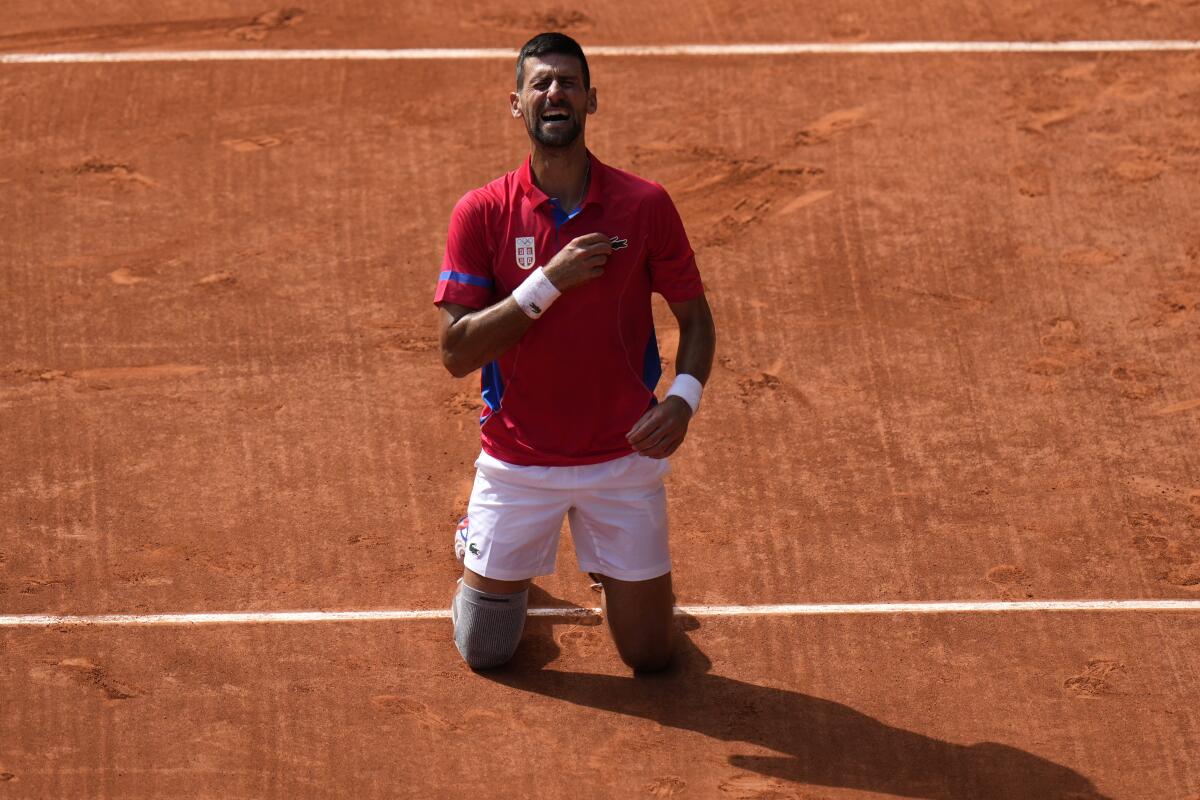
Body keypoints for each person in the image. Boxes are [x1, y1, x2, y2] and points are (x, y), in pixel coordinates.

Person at [434, 32, 716, 673]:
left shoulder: (644, 206)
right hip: (517, 462)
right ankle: (476, 544)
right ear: (517, 104)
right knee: (486, 650)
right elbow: (456, 352)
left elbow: (696, 320)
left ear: (592, 100)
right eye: (540, 84)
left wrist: (683, 400)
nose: (554, 92)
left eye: (567, 82)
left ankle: (612, 571)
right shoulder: (481, 213)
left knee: (650, 658)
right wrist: (547, 282)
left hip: (623, 457)